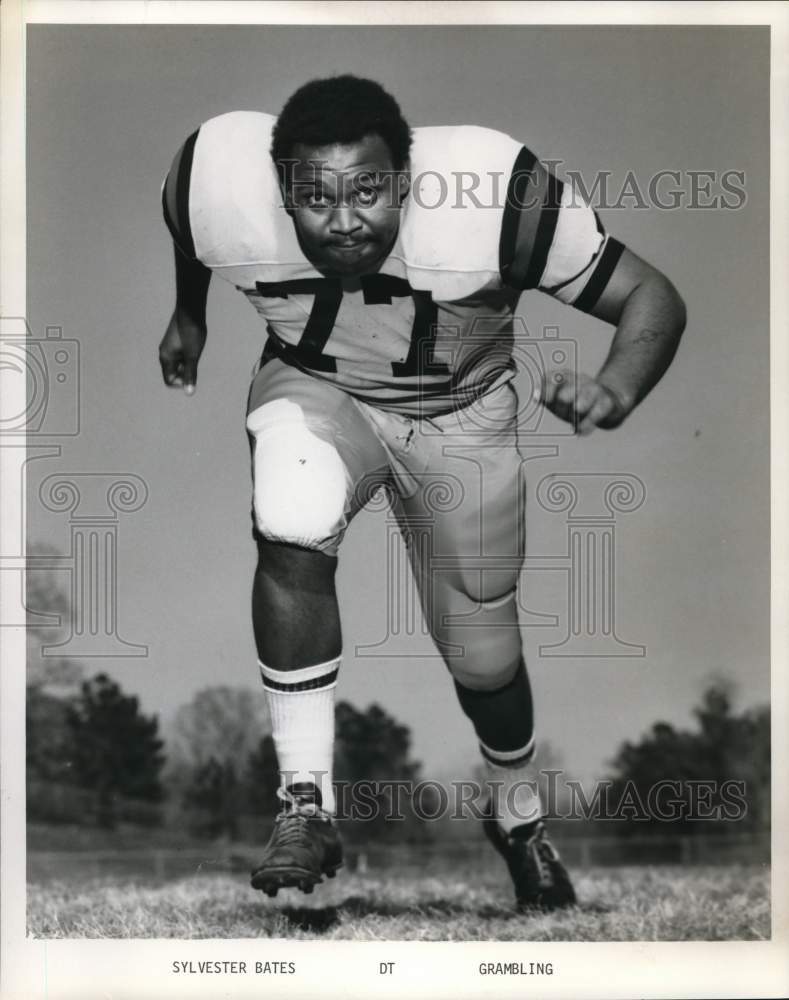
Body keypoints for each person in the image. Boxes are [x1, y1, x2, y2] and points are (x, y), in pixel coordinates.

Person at [159, 75, 685, 910]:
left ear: (405, 179)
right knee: (288, 518)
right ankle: (305, 803)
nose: (342, 221)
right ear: (274, 189)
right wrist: (192, 314)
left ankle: (516, 817)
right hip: (319, 391)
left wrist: (615, 388)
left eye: (367, 191)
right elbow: (190, 229)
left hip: (461, 416)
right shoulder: (217, 182)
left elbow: (651, 296)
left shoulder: (494, 196)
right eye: (314, 198)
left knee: (485, 660)